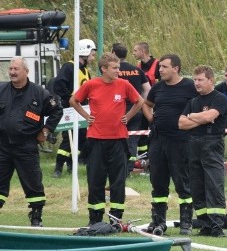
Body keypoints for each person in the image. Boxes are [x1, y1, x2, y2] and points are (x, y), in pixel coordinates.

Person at [70, 53, 145, 225]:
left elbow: (139, 101)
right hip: (96, 139)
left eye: (118, 67)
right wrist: (86, 116)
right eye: (115, 68)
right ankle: (95, 219)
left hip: (118, 140)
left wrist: (128, 116)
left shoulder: (124, 85)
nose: (118, 71)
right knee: (95, 180)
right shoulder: (91, 84)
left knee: (117, 181)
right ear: (103, 69)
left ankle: (116, 218)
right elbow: (74, 100)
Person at [0, 57, 63, 226]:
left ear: (26, 72)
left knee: (33, 183)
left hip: (26, 146)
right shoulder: (1, 89)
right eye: (11, 69)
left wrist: (46, 129)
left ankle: (36, 217)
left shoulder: (39, 93)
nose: (12, 72)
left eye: (16, 69)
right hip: (2, 146)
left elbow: (57, 110)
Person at [143, 54, 198, 235]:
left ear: (176, 68)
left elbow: (205, 101)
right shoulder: (157, 87)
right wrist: (151, 118)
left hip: (180, 141)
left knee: (182, 182)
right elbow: (147, 104)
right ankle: (158, 222)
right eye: (160, 67)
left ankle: (186, 223)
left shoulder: (190, 86)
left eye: (164, 67)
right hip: (158, 140)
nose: (160, 70)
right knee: (158, 182)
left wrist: (195, 122)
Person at [179, 66, 227, 237]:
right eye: (195, 80)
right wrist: (199, 118)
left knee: (214, 184)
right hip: (193, 145)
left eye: (200, 80)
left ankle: (216, 225)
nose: (197, 83)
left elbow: (209, 116)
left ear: (211, 80)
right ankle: (204, 224)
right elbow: (181, 123)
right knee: (196, 185)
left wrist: (193, 116)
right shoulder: (193, 102)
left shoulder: (219, 98)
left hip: (212, 143)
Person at [52, 39, 96, 177]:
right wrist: (70, 99)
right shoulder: (69, 67)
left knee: (80, 138)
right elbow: (58, 85)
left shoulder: (85, 71)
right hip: (69, 108)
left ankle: (71, 164)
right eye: (92, 54)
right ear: (84, 52)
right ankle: (58, 167)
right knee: (68, 138)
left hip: (82, 109)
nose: (93, 58)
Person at [112, 42, 151, 173]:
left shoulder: (113, 70)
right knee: (133, 140)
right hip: (136, 109)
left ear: (113, 53)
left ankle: (117, 166)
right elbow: (147, 90)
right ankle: (129, 168)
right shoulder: (137, 70)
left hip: (117, 110)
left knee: (115, 139)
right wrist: (144, 105)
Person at [132, 41, 159, 161]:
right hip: (143, 104)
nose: (133, 53)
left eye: (135, 50)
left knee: (154, 129)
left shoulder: (158, 65)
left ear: (143, 52)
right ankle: (143, 159)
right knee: (141, 131)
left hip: (156, 104)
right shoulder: (137, 67)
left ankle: (154, 156)